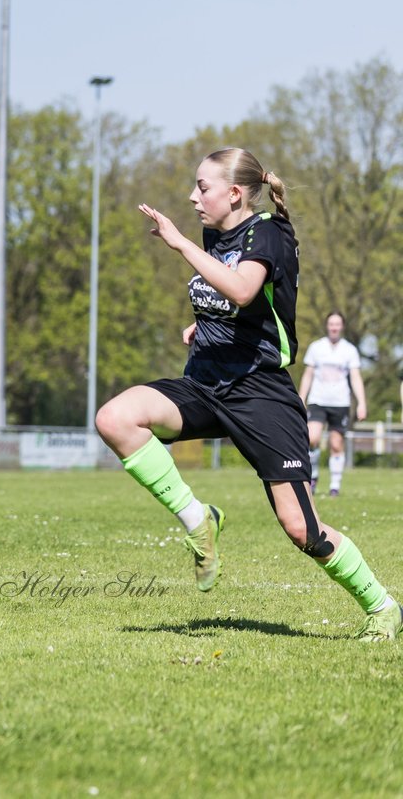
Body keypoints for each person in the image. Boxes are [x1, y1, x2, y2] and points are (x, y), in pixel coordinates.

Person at [94, 147, 400, 642]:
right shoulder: (215, 234)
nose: (193, 197)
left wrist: (179, 245)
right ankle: (200, 520)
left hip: (259, 393)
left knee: (305, 531)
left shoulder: (269, 233)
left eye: (203, 187)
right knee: (114, 418)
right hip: (205, 382)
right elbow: (230, 304)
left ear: (235, 193)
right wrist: (201, 326)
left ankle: (383, 606)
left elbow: (241, 290)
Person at [298, 312, 366, 497]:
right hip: (318, 400)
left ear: (342, 326)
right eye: (331, 324)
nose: (334, 327)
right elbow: (308, 375)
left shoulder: (349, 350)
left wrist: (361, 403)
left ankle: (335, 486)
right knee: (312, 438)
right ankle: (314, 477)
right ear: (327, 326)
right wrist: (300, 398)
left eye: (337, 324)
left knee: (336, 444)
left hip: (340, 402)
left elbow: (356, 377)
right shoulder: (316, 347)